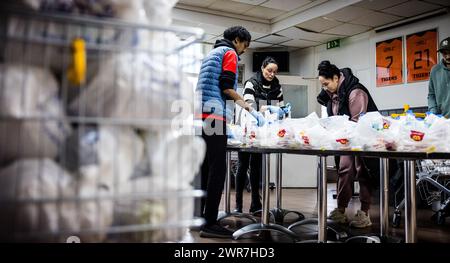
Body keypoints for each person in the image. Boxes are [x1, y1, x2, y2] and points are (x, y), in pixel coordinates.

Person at [195, 26, 265, 238]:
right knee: (218, 170)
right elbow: (226, 86)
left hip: (201, 114)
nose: (244, 50)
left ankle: (201, 218)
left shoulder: (211, 53)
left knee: (206, 168)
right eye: (245, 45)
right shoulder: (230, 53)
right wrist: (249, 108)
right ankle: (209, 224)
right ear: (237, 40)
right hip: (215, 115)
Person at [316, 60, 379, 228]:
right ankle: (340, 210)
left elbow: (357, 122)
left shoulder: (355, 92)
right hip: (346, 140)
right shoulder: (331, 96)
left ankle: (364, 213)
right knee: (344, 169)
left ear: (336, 78)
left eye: (326, 83)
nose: (324, 88)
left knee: (363, 171)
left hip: (364, 139)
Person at [234, 56, 288, 214]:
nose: (272, 74)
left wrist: (282, 111)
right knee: (243, 165)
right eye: (269, 70)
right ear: (262, 68)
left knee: (256, 165)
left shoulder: (277, 86)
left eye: (275, 71)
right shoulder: (251, 82)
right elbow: (249, 105)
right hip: (248, 126)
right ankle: (238, 203)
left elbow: (281, 105)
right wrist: (266, 109)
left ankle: (255, 203)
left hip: (263, 130)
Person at [428, 37, 450, 118]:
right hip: (443, 120)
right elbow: (431, 94)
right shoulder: (435, 70)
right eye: (444, 53)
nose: (448, 56)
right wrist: (433, 111)